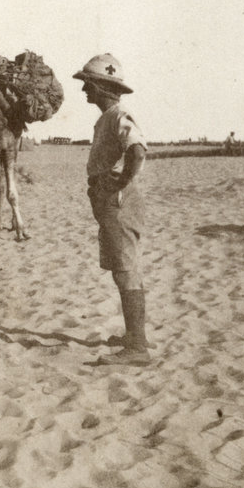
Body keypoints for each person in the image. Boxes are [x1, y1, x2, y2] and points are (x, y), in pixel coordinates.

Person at [74, 54, 150, 366]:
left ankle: (137, 348)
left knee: (125, 270)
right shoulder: (108, 116)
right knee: (125, 270)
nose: (84, 91)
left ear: (102, 86)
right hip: (112, 204)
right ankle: (135, 337)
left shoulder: (119, 114)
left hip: (118, 204)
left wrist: (120, 182)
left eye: (87, 85)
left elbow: (137, 150)